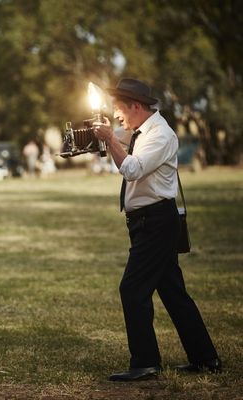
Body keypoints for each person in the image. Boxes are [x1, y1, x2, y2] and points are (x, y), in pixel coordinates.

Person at [93, 78, 220, 381]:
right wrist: (100, 136)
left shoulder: (161, 135)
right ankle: (205, 358)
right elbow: (122, 138)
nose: (117, 115)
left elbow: (132, 168)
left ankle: (145, 362)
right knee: (173, 292)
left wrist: (110, 139)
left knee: (132, 289)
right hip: (146, 222)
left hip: (157, 222)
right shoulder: (142, 131)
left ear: (136, 107)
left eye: (119, 109)